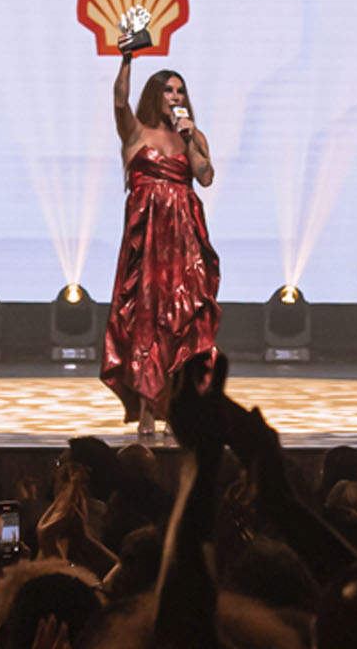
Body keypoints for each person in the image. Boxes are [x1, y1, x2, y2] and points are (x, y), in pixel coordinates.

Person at [101, 41, 220, 436]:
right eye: (168, 90)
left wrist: (191, 138)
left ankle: (179, 409)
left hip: (184, 239)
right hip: (148, 237)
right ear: (156, 94)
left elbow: (205, 177)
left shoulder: (193, 135)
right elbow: (119, 101)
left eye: (180, 91)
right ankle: (148, 410)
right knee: (146, 319)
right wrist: (127, 59)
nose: (175, 96)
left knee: (183, 320)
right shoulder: (136, 130)